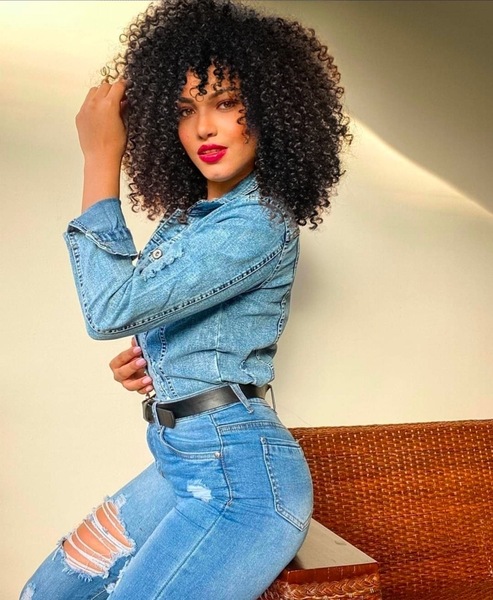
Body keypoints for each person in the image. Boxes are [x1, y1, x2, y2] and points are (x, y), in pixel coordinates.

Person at [20, 1, 350, 598]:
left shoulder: (259, 220)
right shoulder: (190, 221)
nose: (203, 128)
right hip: (182, 459)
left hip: (239, 481)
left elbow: (109, 308)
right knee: (47, 594)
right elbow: (139, 310)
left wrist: (100, 157)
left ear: (272, 107)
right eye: (184, 110)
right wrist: (156, 361)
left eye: (225, 102)